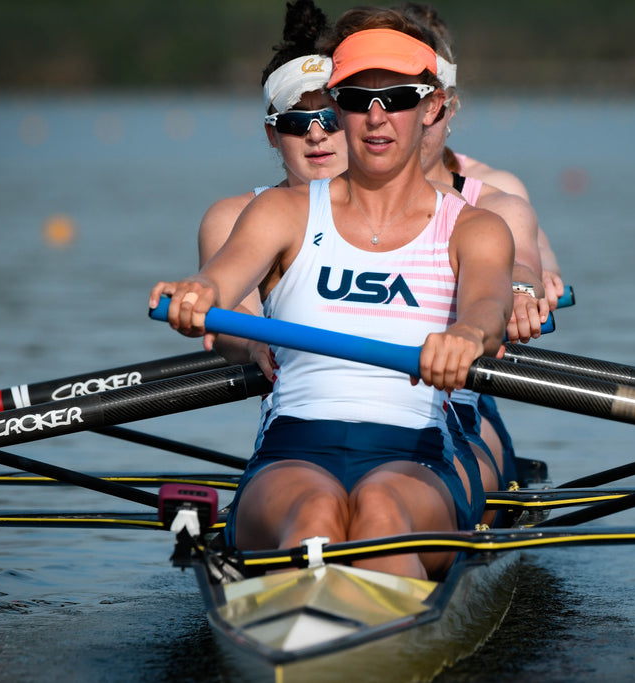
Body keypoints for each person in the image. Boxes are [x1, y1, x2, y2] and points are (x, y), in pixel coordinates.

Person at [150, 7, 515, 580]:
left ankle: (349, 641)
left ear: (433, 107)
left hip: (419, 454)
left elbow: (489, 306)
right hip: (294, 449)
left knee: (378, 513)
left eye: (397, 97)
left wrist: (468, 334)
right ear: (337, 108)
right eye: (354, 99)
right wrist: (197, 292)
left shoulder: (476, 227)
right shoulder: (281, 212)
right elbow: (223, 277)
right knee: (316, 513)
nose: (376, 117)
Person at [197, 0, 346, 370]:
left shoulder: (415, 203)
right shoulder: (233, 216)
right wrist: (254, 344)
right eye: (296, 121)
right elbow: (233, 312)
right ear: (272, 134)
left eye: (330, 117)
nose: (315, 134)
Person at [398, 2, 565, 308]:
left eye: (427, 104)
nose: (412, 121)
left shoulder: (498, 190)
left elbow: (531, 250)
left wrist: (535, 278)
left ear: (448, 106)